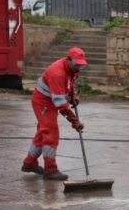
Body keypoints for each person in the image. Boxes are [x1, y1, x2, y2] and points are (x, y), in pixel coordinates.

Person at [21, 47, 86, 180]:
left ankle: (29, 163)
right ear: (68, 60)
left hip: (51, 99)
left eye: (81, 65)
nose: (78, 67)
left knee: (43, 132)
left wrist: (73, 96)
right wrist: (74, 121)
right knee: (51, 132)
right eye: (76, 64)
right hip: (43, 102)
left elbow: (71, 82)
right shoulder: (57, 73)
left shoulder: (72, 68)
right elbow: (60, 105)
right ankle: (50, 170)